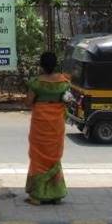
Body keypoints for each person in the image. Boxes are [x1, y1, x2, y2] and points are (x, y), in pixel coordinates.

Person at [24, 51, 70, 205]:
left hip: (40, 123)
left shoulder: (36, 83)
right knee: (54, 157)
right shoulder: (63, 82)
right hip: (56, 123)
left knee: (38, 157)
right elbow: (67, 99)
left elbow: (29, 102)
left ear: (41, 65)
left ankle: (37, 195)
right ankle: (56, 194)